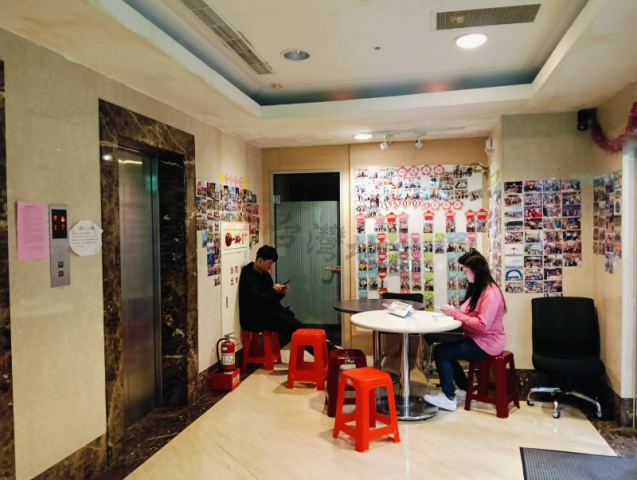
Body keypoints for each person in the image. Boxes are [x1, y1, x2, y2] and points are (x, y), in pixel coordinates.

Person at [424, 251, 506, 412]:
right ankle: (464, 388)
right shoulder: (479, 289)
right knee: (444, 351)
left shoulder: (490, 293)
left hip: (487, 342)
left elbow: (482, 325)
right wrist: (453, 313)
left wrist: (455, 314)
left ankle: (448, 397)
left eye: (466, 270)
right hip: (475, 338)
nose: (464, 274)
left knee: (441, 351)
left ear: (477, 270)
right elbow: (467, 313)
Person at [239, 245, 337, 354]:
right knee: (292, 325)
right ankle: (322, 350)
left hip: (268, 311)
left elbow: (269, 299)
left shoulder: (265, 274)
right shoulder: (248, 276)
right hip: (255, 316)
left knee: (293, 322)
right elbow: (255, 301)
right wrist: (273, 291)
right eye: (269, 264)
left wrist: (280, 294)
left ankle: (322, 348)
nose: (270, 267)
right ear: (260, 260)